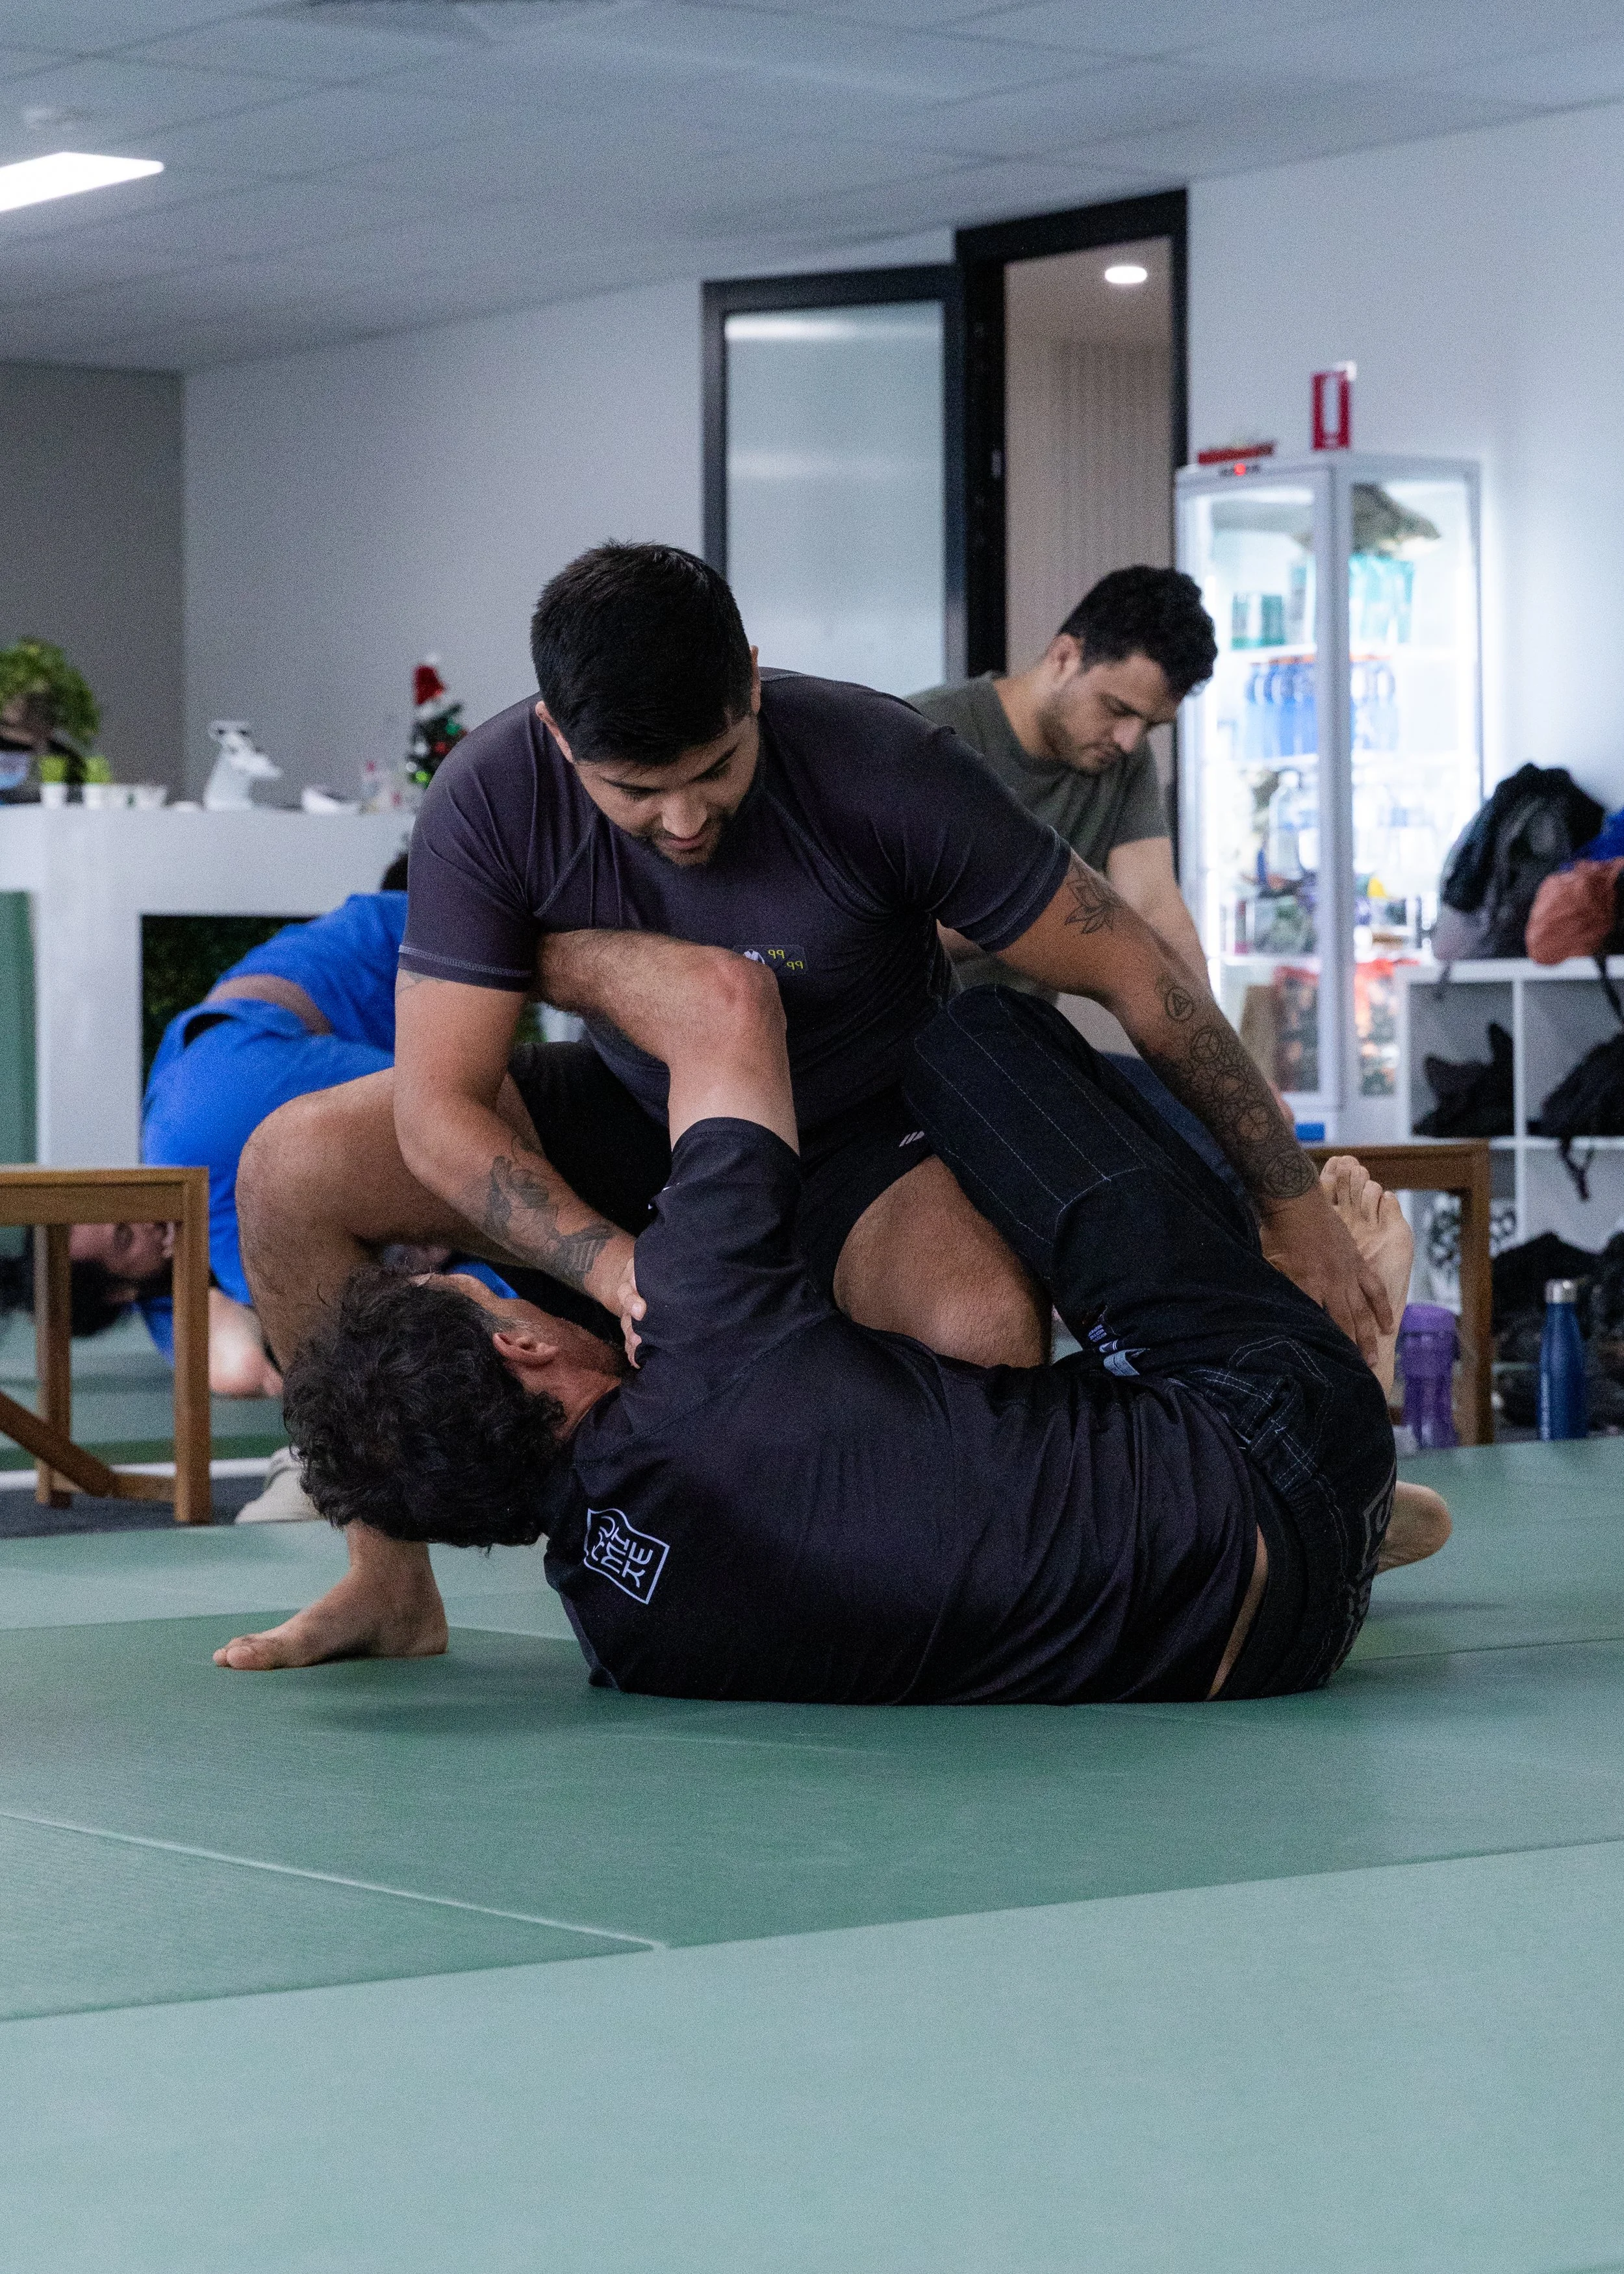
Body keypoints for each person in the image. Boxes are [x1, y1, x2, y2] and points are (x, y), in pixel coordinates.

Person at [227, 541, 1390, 1657]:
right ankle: (387, 1585)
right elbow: (441, 1111)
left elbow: (1144, 975)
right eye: (638, 792)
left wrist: (1292, 1210)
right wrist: (612, 1266)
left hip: (860, 1136)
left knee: (977, 1327)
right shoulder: (490, 798)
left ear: (751, 691)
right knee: (288, 1167)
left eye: (714, 773)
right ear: (557, 736)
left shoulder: (883, 766)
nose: (683, 823)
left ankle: (1129, 1548)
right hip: (628, 1120)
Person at [215, 932, 1449, 1698]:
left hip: (1267, 1656)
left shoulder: (620, 1637)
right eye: (485, 1288)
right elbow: (726, 1004)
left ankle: (1362, 1495)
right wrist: (504, 951)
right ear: (525, 1341)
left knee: (980, 1424)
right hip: (1279, 1441)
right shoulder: (705, 1334)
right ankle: (1328, 1305)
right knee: (976, 1037)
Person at [910, 565, 1215, 987]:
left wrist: (1209, 1046)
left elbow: (1154, 908)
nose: (1129, 741)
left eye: (1150, 725)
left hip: (1016, 1035)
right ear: (1064, 657)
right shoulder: (927, 733)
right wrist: (1038, 906)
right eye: (1118, 709)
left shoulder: (1124, 757)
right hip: (898, 1034)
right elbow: (869, 927)